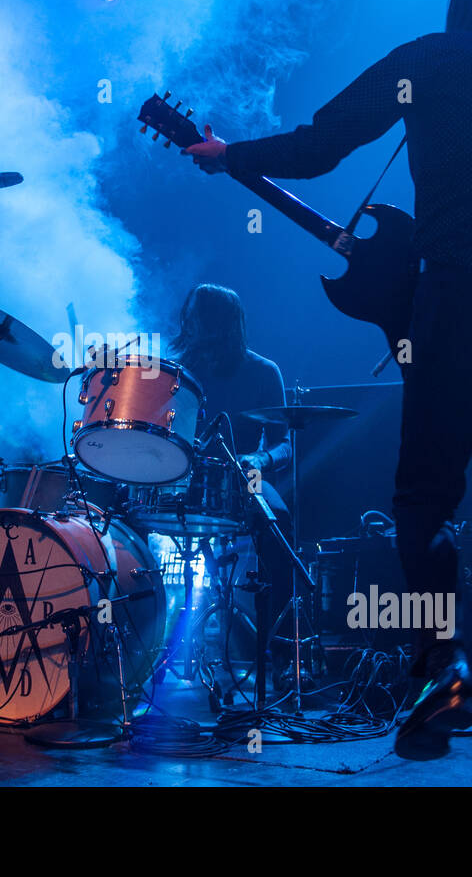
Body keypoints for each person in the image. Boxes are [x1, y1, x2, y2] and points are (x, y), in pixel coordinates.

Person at [183, 0, 472, 786]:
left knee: (422, 501)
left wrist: (230, 155)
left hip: (458, 309)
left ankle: (445, 669)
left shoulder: (429, 61)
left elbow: (318, 146)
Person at [170, 283, 300, 689]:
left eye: (195, 317)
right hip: (182, 475)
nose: (187, 324)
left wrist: (259, 460)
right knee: (128, 516)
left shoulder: (263, 371)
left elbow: (284, 444)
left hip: (244, 475)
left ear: (218, 323)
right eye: (187, 317)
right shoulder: (177, 371)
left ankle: (284, 654)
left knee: (279, 525)